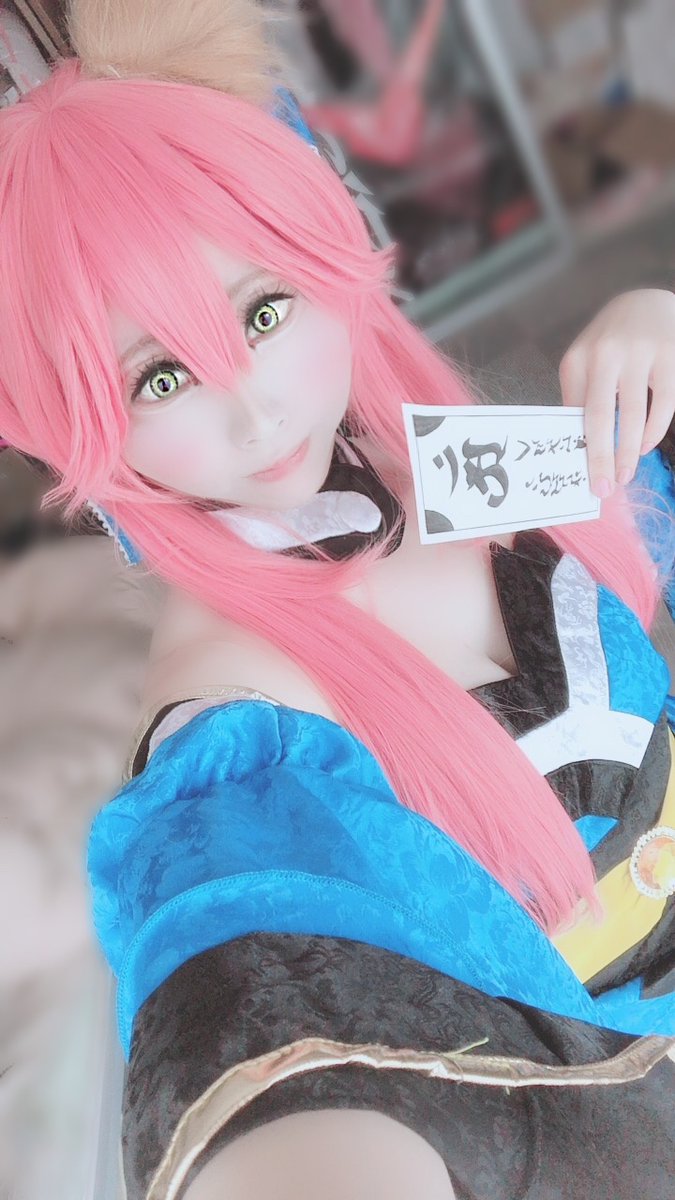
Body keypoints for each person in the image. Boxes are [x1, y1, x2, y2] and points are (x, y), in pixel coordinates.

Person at [0, 2, 674, 1197]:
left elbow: (640, 517)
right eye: (161, 377)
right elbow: (253, 999)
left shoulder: (457, 462)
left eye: (264, 313)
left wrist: (656, 339)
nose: (254, 409)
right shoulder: (233, 729)